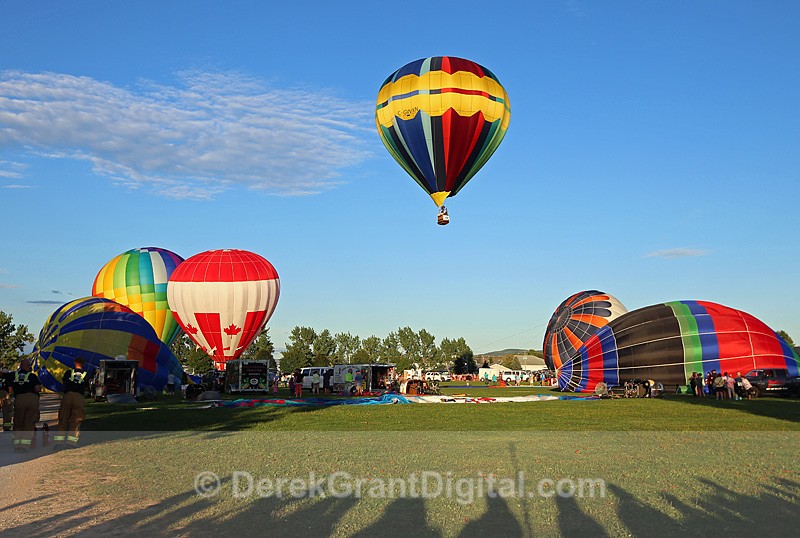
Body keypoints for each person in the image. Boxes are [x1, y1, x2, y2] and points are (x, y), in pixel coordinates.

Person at [54, 357, 90, 450]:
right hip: (79, 397)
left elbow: (63, 382)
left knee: (63, 419)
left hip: (68, 396)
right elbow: (87, 386)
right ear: (83, 364)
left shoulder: (68, 373)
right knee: (76, 420)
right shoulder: (86, 374)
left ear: (74, 363)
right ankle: (71, 443)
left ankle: (59, 443)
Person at [11, 358, 41, 452]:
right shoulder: (32, 376)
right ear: (29, 366)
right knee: (29, 423)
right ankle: (25, 445)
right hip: (31, 398)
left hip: (19, 399)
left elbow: (10, 388)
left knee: (18, 422)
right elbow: (37, 389)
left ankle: (17, 445)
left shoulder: (14, 375)